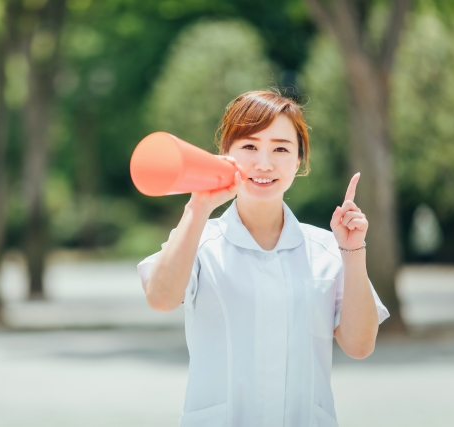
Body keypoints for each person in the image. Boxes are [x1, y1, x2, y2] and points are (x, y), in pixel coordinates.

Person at [136, 90, 390, 427]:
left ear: (299, 160)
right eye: (250, 146)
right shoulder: (198, 239)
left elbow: (360, 346)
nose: (264, 164)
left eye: (281, 149)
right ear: (225, 155)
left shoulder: (329, 248)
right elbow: (161, 298)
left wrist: (353, 252)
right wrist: (199, 205)